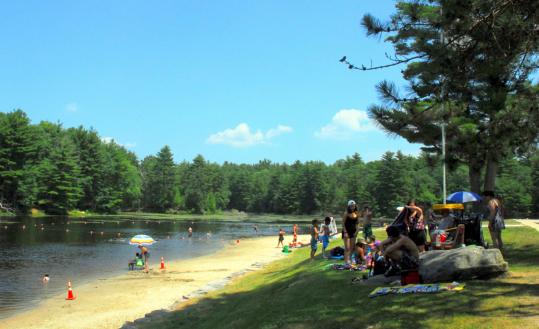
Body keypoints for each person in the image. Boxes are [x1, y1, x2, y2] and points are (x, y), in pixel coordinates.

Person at [342, 200, 360, 264]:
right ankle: (346, 261)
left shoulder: (356, 213)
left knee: (352, 247)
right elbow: (343, 223)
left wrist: (357, 231)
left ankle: (350, 259)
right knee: (347, 247)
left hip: (353, 232)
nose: (352, 207)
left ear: (355, 206)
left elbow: (357, 223)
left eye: (354, 206)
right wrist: (345, 232)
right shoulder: (346, 213)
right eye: (351, 206)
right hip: (346, 231)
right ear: (349, 206)